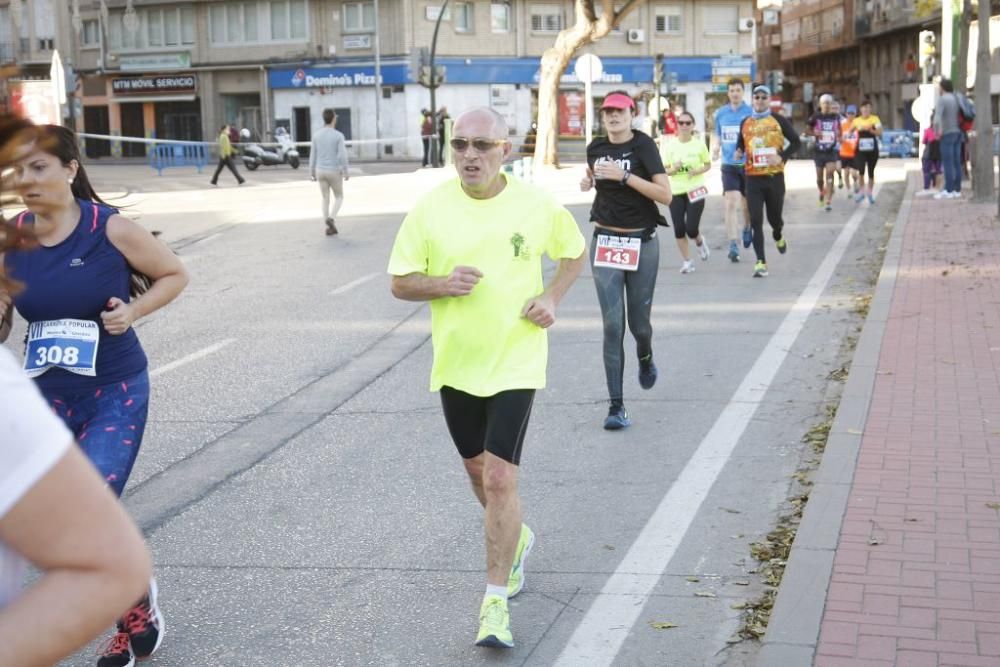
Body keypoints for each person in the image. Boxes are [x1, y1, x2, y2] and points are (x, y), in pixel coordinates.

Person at [387, 107, 586, 649]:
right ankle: (514, 539)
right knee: (478, 474)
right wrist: (442, 283)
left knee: (500, 478)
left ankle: (494, 603)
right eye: (460, 145)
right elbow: (401, 283)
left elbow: (573, 252)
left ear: (507, 149)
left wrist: (550, 298)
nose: (469, 155)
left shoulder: (535, 205)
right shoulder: (430, 210)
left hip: (517, 357)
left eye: (481, 145)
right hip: (456, 365)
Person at [2, 124, 188, 667]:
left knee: (96, 502)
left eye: (39, 166)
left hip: (115, 391)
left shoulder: (112, 229)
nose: (27, 179)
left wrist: (133, 312)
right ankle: (140, 601)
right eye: (18, 169)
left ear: (69, 169)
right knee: (55, 520)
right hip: (45, 398)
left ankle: (130, 625)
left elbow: (174, 274)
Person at [581, 91, 672, 429]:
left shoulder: (644, 147)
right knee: (612, 325)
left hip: (641, 241)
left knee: (639, 325)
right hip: (605, 239)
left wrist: (626, 177)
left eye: (619, 111)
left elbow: (665, 195)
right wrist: (588, 180)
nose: (613, 117)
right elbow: (595, 180)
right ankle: (616, 406)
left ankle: (645, 354)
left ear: (632, 113)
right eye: (608, 112)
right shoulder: (595, 148)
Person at [734, 84, 800, 278]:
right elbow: (741, 143)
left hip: (774, 179)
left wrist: (782, 156)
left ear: (769, 100)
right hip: (753, 179)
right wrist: (739, 151)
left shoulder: (778, 120)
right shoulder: (745, 122)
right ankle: (760, 262)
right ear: (752, 100)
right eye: (757, 97)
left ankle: (778, 234)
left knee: (774, 219)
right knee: (756, 221)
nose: (760, 100)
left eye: (764, 97)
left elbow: (796, 142)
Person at [663, 110, 711, 274]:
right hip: (675, 191)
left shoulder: (699, 144)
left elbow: (707, 164)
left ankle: (699, 241)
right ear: (677, 125)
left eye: (687, 123)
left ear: (693, 126)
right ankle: (687, 261)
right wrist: (673, 169)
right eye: (681, 123)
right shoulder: (669, 146)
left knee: (691, 228)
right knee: (679, 229)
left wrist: (697, 171)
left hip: (695, 190)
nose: (684, 126)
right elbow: (663, 170)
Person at [711, 78, 753, 263]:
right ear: (727, 93)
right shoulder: (721, 114)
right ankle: (733, 245)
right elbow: (718, 134)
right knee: (730, 203)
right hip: (728, 165)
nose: (735, 93)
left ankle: (747, 227)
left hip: (748, 165)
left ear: (743, 92)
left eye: (738, 90)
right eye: (732, 90)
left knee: (746, 205)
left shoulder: (751, 113)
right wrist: (715, 148)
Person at [310, 108, 350, 236]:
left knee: (325, 198)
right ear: (333, 118)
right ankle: (331, 218)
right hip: (333, 170)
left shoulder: (316, 135)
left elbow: (313, 155)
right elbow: (342, 155)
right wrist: (345, 170)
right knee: (339, 196)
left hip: (320, 170)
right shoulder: (338, 136)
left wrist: (311, 172)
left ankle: (328, 226)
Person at [806, 93, 841, 212]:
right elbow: (807, 130)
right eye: (824, 103)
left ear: (831, 104)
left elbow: (840, 130)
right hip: (819, 151)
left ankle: (828, 201)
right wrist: (814, 133)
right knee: (819, 178)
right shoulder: (816, 117)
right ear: (820, 105)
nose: (826, 105)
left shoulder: (836, 117)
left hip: (831, 151)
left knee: (830, 174)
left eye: (828, 103)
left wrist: (839, 137)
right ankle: (822, 190)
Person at [933, 78, 963, 199]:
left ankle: (948, 189)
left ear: (942, 87)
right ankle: (957, 189)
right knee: (957, 162)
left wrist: (936, 132)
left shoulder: (942, 99)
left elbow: (937, 117)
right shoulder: (956, 97)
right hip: (958, 132)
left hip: (947, 133)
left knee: (947, 162)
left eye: (939, 87)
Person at [851, 100, 883, 204]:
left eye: (868, 107)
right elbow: (849, 132)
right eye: (864, 108)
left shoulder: (875, 119)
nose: (866, 110)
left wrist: (871, 130)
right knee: (861, 170)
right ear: (860, 109)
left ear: (871, 109)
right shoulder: (856, 120)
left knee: (871, 171)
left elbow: (879, 132)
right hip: (860, 149)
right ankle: (862, 192)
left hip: (872, 149)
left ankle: (869, 192)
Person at [839, 104, 860, 197]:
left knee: (854, 173)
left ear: (855, 114)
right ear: (846, 114)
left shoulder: (858, 124)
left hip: (855, 152)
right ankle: (848, 190)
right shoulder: (842, 124)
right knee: (846, 173)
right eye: (849, 113)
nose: (850, 115)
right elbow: (839, 136)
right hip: (844, 152)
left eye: (852, 113)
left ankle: (856, 182)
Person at [918, 116, 942, 196]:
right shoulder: (941, 131)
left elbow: (924, 141)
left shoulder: (928, 130)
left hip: (928, 154)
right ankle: (937, 187)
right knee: (938, 171)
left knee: (927, 171)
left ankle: (926, 188)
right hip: (939, 154)